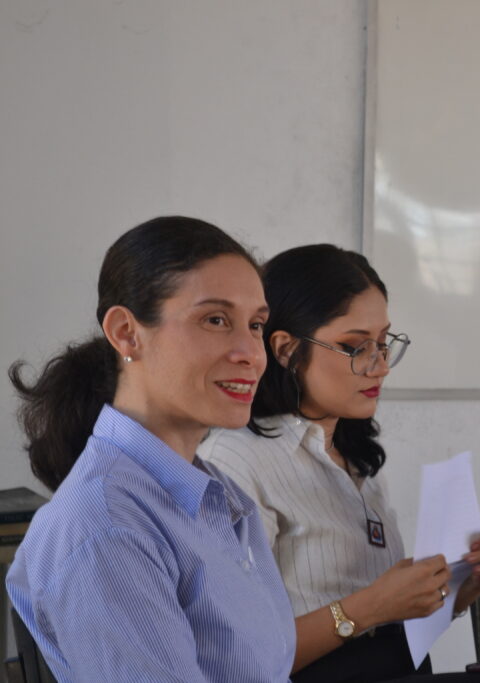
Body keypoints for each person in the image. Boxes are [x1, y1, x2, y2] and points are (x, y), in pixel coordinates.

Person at [199, 244, 480, 681]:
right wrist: (371, 606)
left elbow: (391, 622)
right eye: (355, 347)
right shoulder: (235, 459)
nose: (380, 366)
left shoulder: (354, 458)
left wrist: (468, 582)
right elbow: (237, 655)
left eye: (383, 343)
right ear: (285, 349)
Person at [6, 216, 296, 681]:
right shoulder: (106, 526)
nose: (251, 353)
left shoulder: (217, 494)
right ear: (126, 332)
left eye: (256, 325)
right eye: (215, 320)